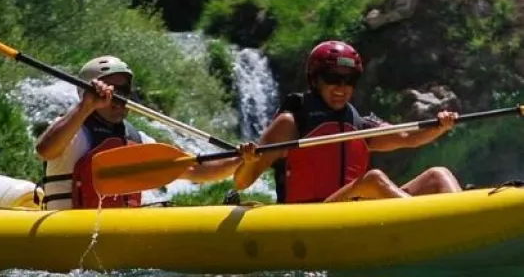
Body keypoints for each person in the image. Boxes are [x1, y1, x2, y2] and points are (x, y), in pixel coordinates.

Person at [233, 40, 462, 204]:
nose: (341, 88)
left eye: (349, 80)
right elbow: (242, 182)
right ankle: (428, 222)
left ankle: (464, 219)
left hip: (352, 211)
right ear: (315, 80)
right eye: (333, 78)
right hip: (312, 219)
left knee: (437, 175)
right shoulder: (290, 123)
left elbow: (407, 137)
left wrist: (441, 126)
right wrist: (250, 162)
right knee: (373, 180)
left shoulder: (359, 124)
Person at [35, 55, 241, 210]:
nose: (117, 97)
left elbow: (197, 171)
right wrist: (86, 106)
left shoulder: (137, 139)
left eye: (123, 91)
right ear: (86, 93)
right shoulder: (71, 130)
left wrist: (240, 159)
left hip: (119, 231)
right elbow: (45, 150)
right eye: (110, 90)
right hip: (67, 229)